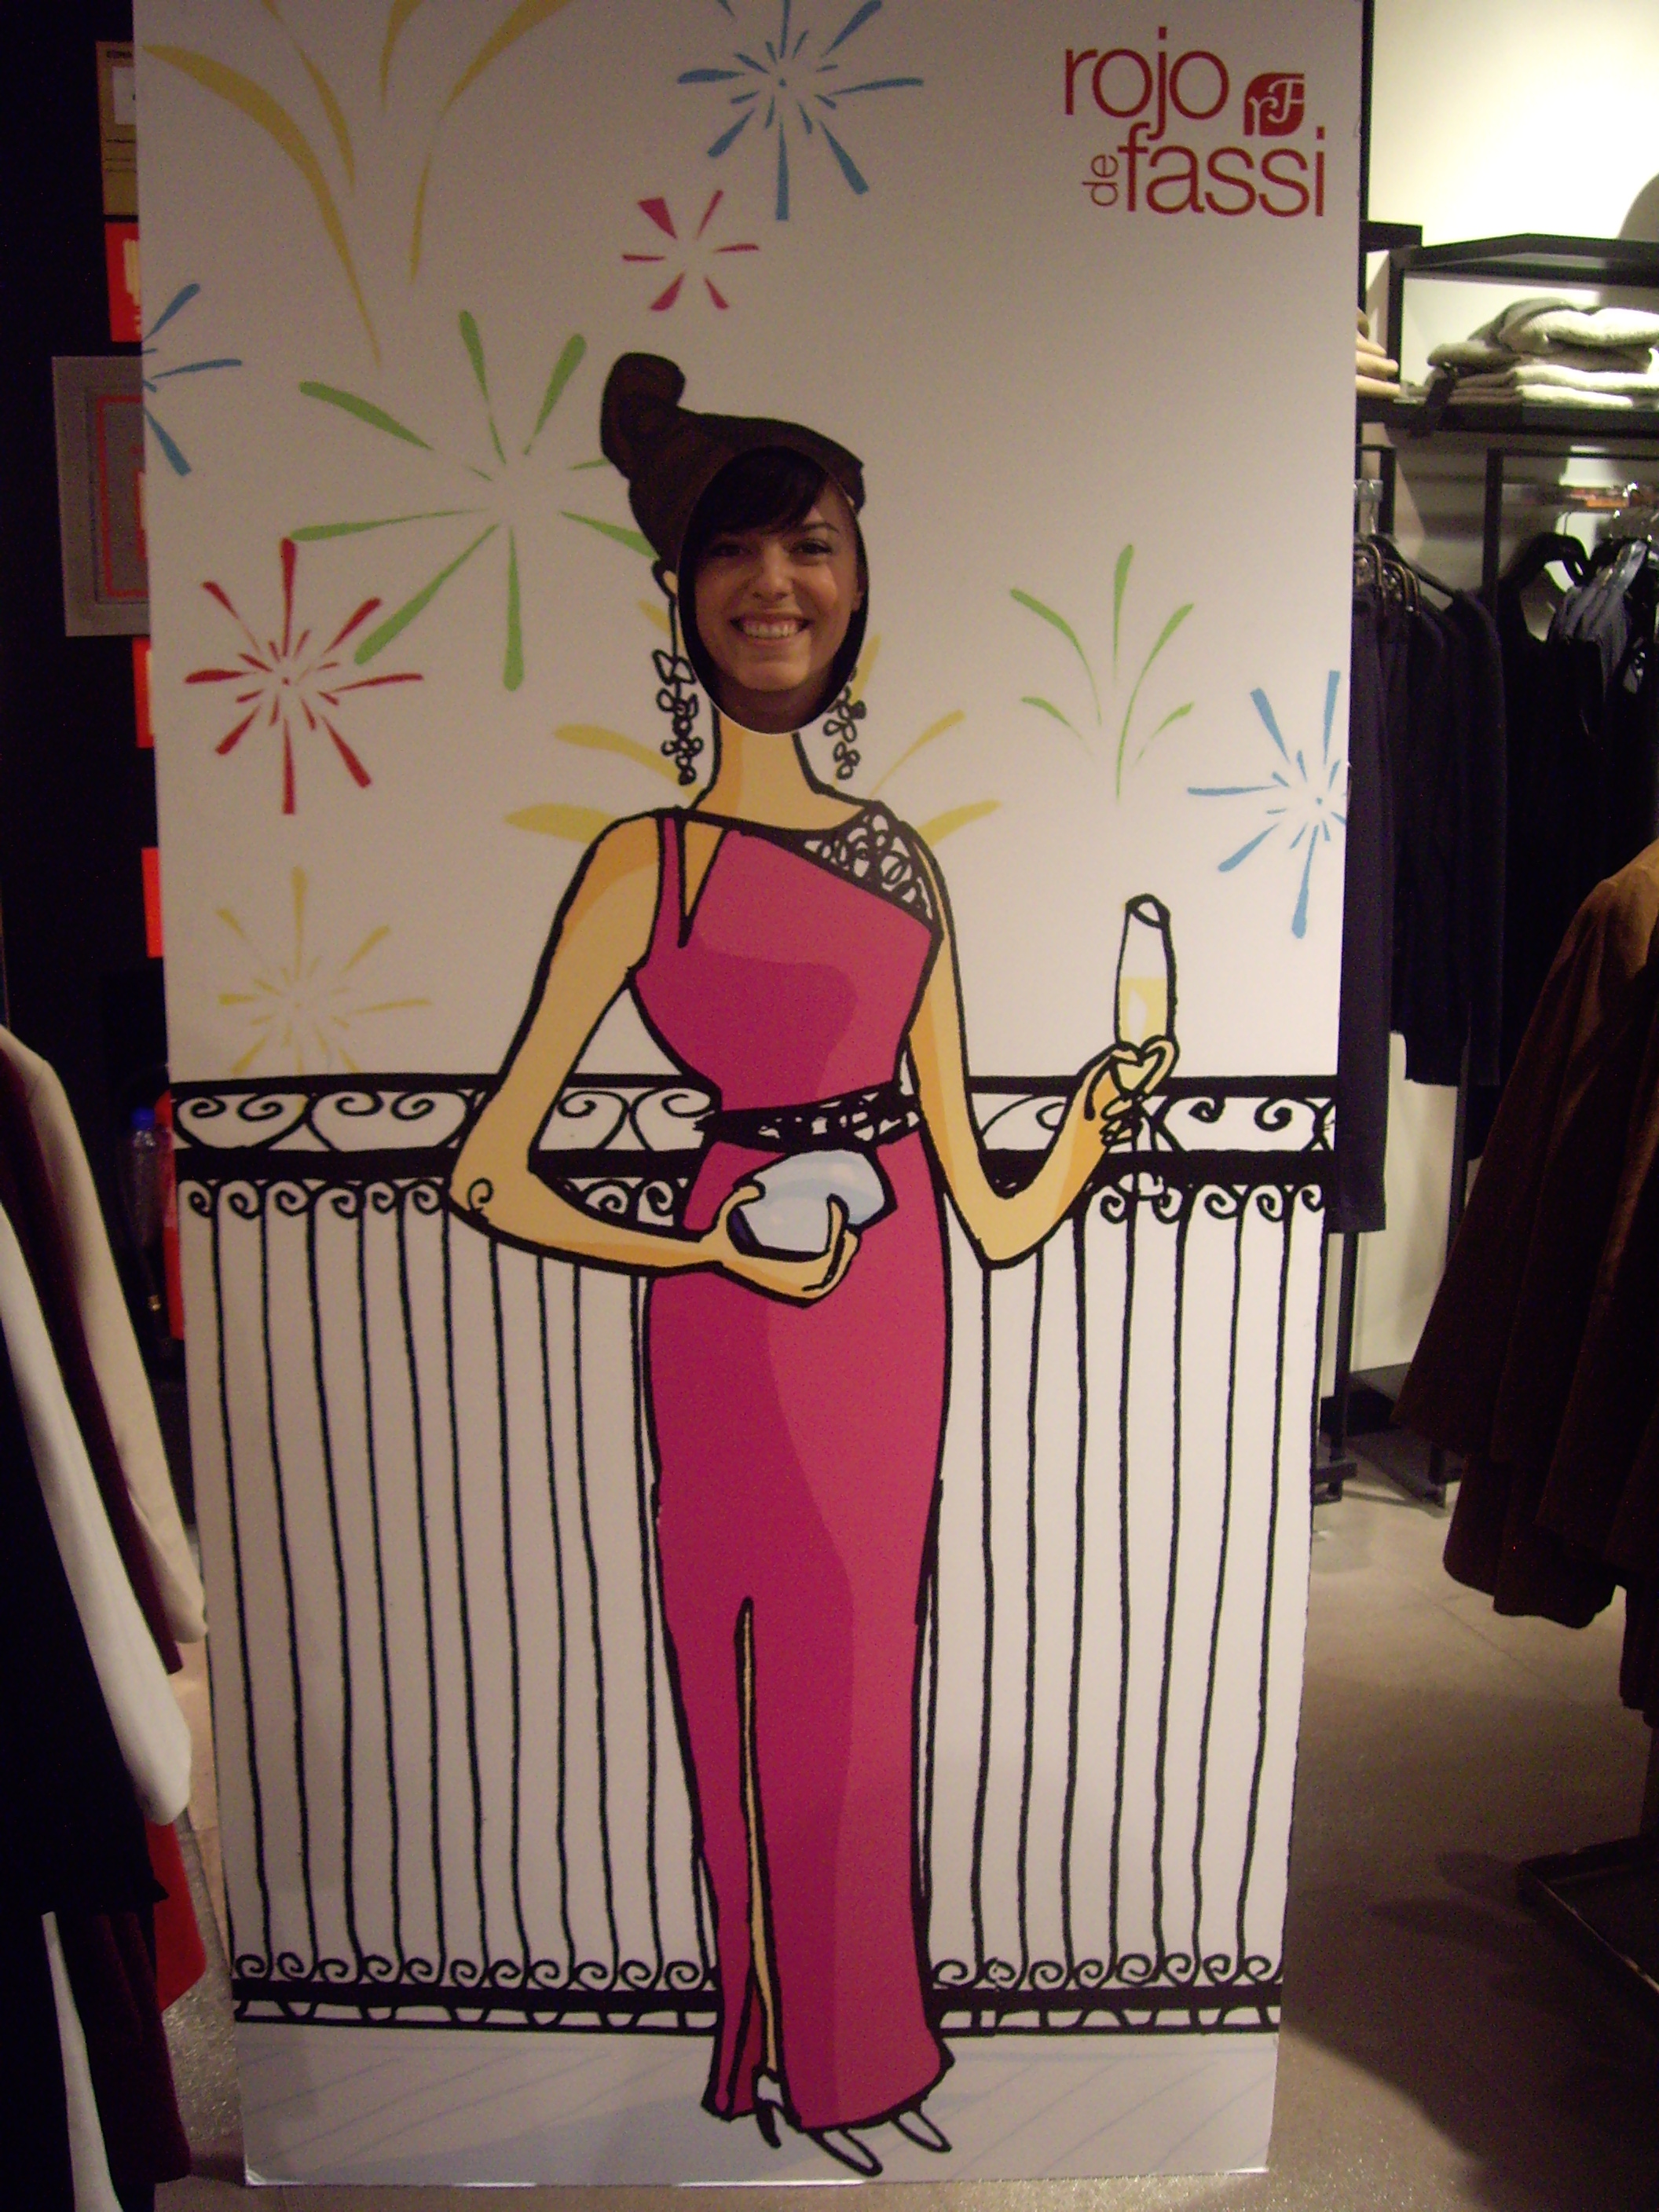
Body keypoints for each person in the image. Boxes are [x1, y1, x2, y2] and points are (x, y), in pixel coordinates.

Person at [451, 354, 1175, 2174]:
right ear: (680, 594)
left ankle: (862, 2056)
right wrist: (701, 1241)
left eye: (812, 545)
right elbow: (492, 1168)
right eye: (735, 552)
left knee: (863, 1676)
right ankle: (777, 2052)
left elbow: (987, 1205)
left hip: (896, 1288)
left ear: (859, 580)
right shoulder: (650, 863)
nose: (776, 583)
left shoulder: (902, 862)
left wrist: (1098, 1116)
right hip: (735, 1294)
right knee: (752, 1666)